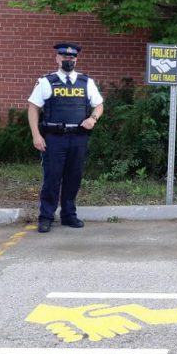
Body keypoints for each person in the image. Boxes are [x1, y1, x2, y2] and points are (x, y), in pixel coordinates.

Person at [27, 43, 104, 233]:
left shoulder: (86, 82)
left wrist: (93, 118)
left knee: (73, 178)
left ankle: (69, 215)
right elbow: (33, 108)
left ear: (76, 59)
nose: (68, 60)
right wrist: (36, 135)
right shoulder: (46, 81)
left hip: (78, 138)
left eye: (71, 58)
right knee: (52, 178)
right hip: (54, 138)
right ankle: (46, 217)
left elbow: (99, 105)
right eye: (64, 57)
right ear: (57, 59)